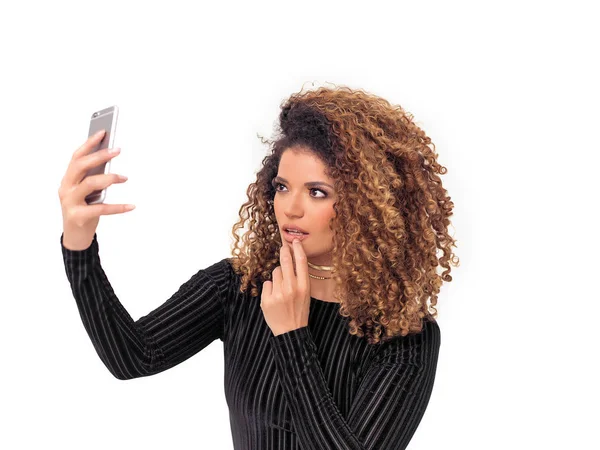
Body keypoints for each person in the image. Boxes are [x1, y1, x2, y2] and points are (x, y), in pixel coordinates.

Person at [58, 85, 458, 450]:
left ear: (369, 206)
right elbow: (132, 356)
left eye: (317, 192)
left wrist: (292, 334)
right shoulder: (240, 286)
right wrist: (79, 244)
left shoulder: (405, 338)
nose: (290, 208)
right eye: (282, 187)